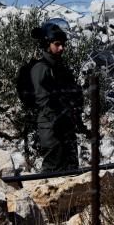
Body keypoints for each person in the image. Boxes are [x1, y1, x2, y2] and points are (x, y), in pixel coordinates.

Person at [30, 19, 85, 173]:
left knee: (71, 168)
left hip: (66, 125)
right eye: (57, 44)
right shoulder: (41, 68)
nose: (61, 48)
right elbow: (43, 100)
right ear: (47, 44)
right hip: (51, 126)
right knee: (53, 167)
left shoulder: (61, 68)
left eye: (63, 44)